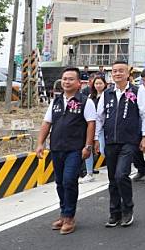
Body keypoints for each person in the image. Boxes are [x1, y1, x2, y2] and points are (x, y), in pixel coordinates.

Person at [36, 67, 97, 235]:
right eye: (64, 79)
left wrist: (88, 146)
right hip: (56, 148)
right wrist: (40, 143)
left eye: (70, 79)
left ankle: (69, 217)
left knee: (70, 180)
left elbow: (91, 124)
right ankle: (63, 213)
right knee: (60, 182)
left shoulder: (86, 101)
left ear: (78, 83)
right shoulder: (55, 102)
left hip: (75, 149)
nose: (66, 82)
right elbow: (47, 123)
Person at [94, 61, 145, 228]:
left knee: (121, 175)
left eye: (121, 71)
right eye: (114, 71)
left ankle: (128, 209)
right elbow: (99, 117)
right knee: (112, 179)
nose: (117, 73)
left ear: (128, 74)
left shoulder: (136, 92)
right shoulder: (107, 93)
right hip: (110, 141)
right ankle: (114, 213)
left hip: (129, 141)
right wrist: (96, 138)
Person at [80, 75, 108, 184]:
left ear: (104, 84)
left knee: (102, 149)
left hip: (103, 126)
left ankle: (114, 167)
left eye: (100, 83)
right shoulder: (91, 96)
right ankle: (89, 173)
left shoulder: (108, 95)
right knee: (89, 147)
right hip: (91, 126)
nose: (98, 85)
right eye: (96, 83)